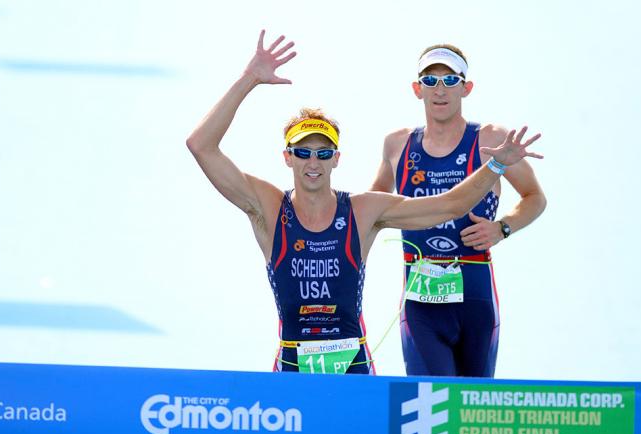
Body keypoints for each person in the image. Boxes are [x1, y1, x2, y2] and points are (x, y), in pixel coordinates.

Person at [186, 31, 542, 375]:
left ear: (336, 159)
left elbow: (450, 205)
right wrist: (249, 78)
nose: (313, 162)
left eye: (323, 153)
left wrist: (495, 170)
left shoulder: (362, 210)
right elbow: (200, 145)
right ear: (287, 157)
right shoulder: (267, 205)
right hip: (293, 363)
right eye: (303, 152)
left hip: (356, 362)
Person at [370, 45, 547, 377]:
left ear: (466, 88)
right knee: (431, 403)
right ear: (416, 88)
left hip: (475, 296)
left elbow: (535, 197)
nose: (440, 89)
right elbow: (367, 211)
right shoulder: (397, 145)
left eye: (450, 80)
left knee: (472, 411)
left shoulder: (490, 139)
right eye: (431, 79)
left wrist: (503, 227)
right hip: (421, 301)